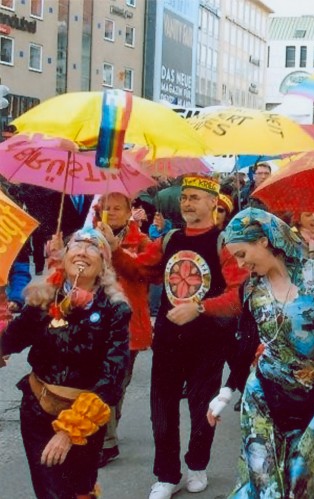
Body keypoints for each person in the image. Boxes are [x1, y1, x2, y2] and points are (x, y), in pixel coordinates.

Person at [206, 208, 314, 498]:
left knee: (299, 489)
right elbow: (246, 345)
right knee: (266, 487)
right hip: (263, 395)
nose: (241, 264)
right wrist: (226, 392)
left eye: (243, 254)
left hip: (313, 400)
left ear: (264, 242)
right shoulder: (251, 289)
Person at [107, 175, 249, 498]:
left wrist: (199, 307)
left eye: (195, 198)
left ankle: (198, 464)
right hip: (169, 340)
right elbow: (139, 270)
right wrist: (115, 251)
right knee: (162, 409)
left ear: (213, 203)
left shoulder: (224, 243)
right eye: (184, 197)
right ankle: (167, 474)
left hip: (208, 342)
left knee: (202, 409)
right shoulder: (169, 239)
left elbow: (239, 296)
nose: (187, 203)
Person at [0, 228, 131, 499]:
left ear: (104, 263)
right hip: (38, 409)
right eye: (76, 245)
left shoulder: (115, 309)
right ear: (65, 255)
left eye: (93, 247)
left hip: (85, 418)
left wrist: (69, 432)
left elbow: (113, 378)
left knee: (80, 491)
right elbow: (13, 338)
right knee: (51, 493)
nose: (83, 251)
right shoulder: (45, 298)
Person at [91, 192, 152, 467]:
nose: (111, 212)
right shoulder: (86, 237)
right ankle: (106, 440)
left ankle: (106, 428)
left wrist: (115, 248)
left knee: (117, 382)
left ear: (130, 212)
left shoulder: (141, 242)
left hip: (127, 324)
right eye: (106, 207)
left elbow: (142, 273)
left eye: (117, 208)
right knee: (99, 380)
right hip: (92, 322)